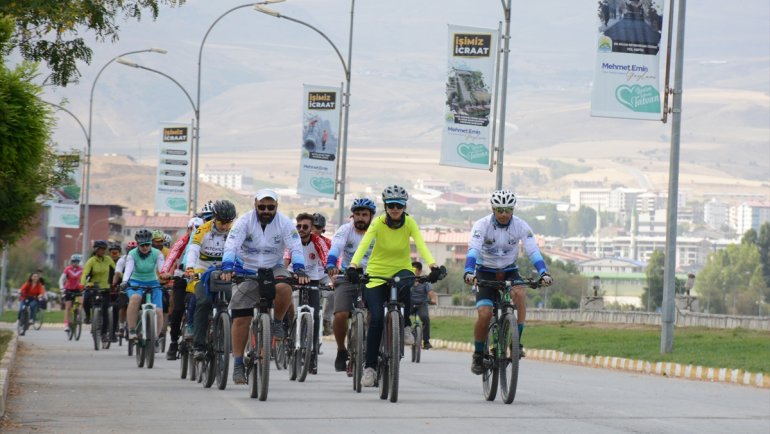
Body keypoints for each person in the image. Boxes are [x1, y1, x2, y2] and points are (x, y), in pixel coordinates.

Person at [347, 185, 443, 387]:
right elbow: (364, 244)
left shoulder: (410, 223)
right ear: (385, 206)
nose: (395, 209)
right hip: (376, 273)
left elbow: (421, 244)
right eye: (391, 205)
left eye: (399, 205)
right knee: (375, 320)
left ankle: (406, 325)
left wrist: (433, 265)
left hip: (401, 269)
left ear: (404, 206)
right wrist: (354, 265)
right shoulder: (378, 223)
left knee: (407, 282)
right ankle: (370, 368)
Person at [220, 189, 308, 385]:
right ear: (255, 205)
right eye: (262, 207)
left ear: (276, 206)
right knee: (241, 318)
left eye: (271, 207)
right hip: (247, 268)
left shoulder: (284, 222)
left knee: (285, 287)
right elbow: (231, 245)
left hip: (273, 267)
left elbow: (295, 246)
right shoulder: (244, 221)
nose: (266, 210)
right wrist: (227, 266)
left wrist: (300, 269)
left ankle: (277, 322)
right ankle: (238, 364)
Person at [464, 190, 552, 375]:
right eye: (500, 210)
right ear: (493, 209)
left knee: (520, 293)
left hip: (509, 270)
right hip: (484, 271)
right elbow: (473, 249)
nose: (504, 214)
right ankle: (478, 354)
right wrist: (468, 271)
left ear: (513, 210)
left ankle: (516, 341)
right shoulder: (482, 225)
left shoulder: (520, 225)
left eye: (508, 210)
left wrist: (543, 272)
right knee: (485, 313)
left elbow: (533, 250)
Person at [325, 198, 377, 372]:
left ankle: (371, 350)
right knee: (340, 314)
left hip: (373, 275)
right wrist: (331, 263)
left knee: (375, 315)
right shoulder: (345, 230)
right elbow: (335, 247)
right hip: (348, 274)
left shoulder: (379, 231)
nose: (360, 218)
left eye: (365, 215)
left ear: (371, 217)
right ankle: (341, 349)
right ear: (352, 215)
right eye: (357, 214)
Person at [184, 200, 236, 361]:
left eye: (228, 222)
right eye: (221, 222)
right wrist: (190, 268)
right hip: (202, 269)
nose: (225, 226)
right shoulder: (203, 229)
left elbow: (241, 251)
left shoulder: (234, 231)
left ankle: (230, 337)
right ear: (215, 218)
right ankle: (199, 345)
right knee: (204, 302)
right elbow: (193, 249)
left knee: (234, 301)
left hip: (225, 270)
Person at [287, 212, 331, 374]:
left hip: (313, 278)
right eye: (298, 226)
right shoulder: (292, 240)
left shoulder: (319, 241)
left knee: (315, 316)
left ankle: (312, 356)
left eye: (305, 227)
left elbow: (327, 259)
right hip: (293, 276)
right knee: (287, 305)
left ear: (311, 228)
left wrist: (332, 276)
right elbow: (286, 258)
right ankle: (287, 333)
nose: (301, 229)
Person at [165, 216, 204, 360]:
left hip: (197, 277)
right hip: (181, 277)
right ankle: (174, 342)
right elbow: (171, 256)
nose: (194, 231)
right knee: (178, 309)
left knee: (199, 301)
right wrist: (165, 272)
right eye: (191, 229)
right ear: (188, 229)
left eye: (198, 229)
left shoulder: (204, 240)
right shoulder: (182, 241)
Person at [120, 229, 165, 341]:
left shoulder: (157, 253)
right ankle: (132, 330)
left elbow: (162, 270)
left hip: (153, 283)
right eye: (142, 245)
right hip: (135, 282)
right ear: (138, 244)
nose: (145, 247)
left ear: (151, 243)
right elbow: (128, 270)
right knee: (135, 298)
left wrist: (166, 279)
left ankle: (156, 338)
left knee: (159, 311)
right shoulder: (132, 254)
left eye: (147, 245)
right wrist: (125, 282)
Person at [81, 240, 116, 341]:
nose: (103, 251)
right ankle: (88, 316)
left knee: (105, 311)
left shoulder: (108, 259)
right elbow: (85, 273)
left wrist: (123, 280)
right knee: (86, 301)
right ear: (96, 249)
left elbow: (116, 270)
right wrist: (82, 284)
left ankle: (104, 333)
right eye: (101, 249)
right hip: (93, 287)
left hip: (105, 288)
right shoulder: (91, 261)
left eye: (104, 249)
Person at [310, 212, 335, 337]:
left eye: (318, 228)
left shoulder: (329, 243)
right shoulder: (300, 240)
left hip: (323, 275)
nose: (314, 231)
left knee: (334, 291)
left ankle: (326, 319)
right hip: (307, 275)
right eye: (312, 227)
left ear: (323, 229)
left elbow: (335, 259)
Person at [410, 261, 438, 350]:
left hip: (422, 304)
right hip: (410, 303)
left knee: (425, 318)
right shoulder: (407, 279)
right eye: (412, 270)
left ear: (420, 271)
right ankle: (402, 336)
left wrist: (433, 299)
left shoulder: (425, 281)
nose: (413, 272)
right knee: (402, 317)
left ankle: (426, 341)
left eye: (415, 270)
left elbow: (430, 292)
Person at [60, 254, 84, 329]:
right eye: (73, 261)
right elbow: (61, 279)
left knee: (81, 302)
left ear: (79, 262)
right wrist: (62, 289)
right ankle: (66, 324)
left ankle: (78, 315)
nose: (75, 263)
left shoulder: (81, 270)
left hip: (77, 289)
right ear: (71, 261)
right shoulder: (68, 269)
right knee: (68, 307)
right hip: (68, 289)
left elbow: (85, 279)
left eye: (77, 261)